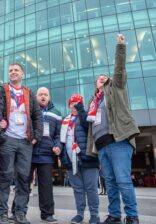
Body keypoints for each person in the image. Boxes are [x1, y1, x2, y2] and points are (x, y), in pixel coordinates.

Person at [86, 34, 140, 224]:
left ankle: (132, 216)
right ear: (95, 85)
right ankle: (115, 215)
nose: (102, 78)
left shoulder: (114, 90)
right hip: (101, 147)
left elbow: (119, 69)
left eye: (104, 77)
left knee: (123, 180)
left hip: (118, 141)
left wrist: (120, 46)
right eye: (98, 79)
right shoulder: (93, 102)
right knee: (110, 183)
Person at [0, 63, 43, 224]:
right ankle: (2, 213)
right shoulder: (2, 91)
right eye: (10, 70)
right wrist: (1, 136)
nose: (13, 72)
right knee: (5, 177)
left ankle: (20, 213)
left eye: (16, 70)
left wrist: (36, 136)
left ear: (22, 74)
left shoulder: (29, 93)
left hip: (25, 142)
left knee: (23, 179)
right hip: (8, 140)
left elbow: (37, 116)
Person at [55, 94, 100, 224]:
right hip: (70, 161)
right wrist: (61, 155)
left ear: (81, 104)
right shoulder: (65, 120)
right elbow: (60, 139)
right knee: (78, 189)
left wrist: (81, 110)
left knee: (91, 188)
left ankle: (94, 214)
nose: (74, 106)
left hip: (88, 159)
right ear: (69, 105)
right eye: (72, 103)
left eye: (77, 103)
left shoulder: (86, 116)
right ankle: (80, 213)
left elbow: (87, 125)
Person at [27, 87, 62, 223]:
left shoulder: (57, 113)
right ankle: (18, 211)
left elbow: (58, 134)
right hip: (29, 153)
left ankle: (47, 214)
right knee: (24, 184)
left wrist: (58, 146)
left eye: (45, 94)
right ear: (36, 97)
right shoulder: (30, 111)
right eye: (40, 94)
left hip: (47, 155)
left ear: (49, 97)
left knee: (46, 186)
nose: (43, 96)